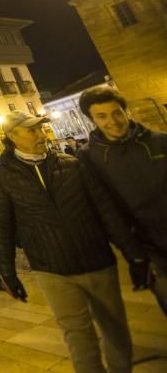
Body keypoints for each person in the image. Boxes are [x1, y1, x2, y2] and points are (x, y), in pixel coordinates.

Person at [0, 111, 148, 373]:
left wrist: (134, 254)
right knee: (77, 335)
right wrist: (7, 272)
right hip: (52, 269)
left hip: (97, 261)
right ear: (11, 136)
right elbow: (2, 225)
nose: (41, 135)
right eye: (32, 130)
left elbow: (104, 210)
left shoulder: (72, 164)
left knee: (115, 329)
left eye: (41, 128)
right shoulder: (1, 176)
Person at [77, 85, 167, 314]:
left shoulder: (159, 141)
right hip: (148, 244)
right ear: (92, 120)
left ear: (125, 111)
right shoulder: (89, 157)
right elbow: (105, 207)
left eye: (116, 112)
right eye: (102, 116)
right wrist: (133, 253)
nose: (113, 121)